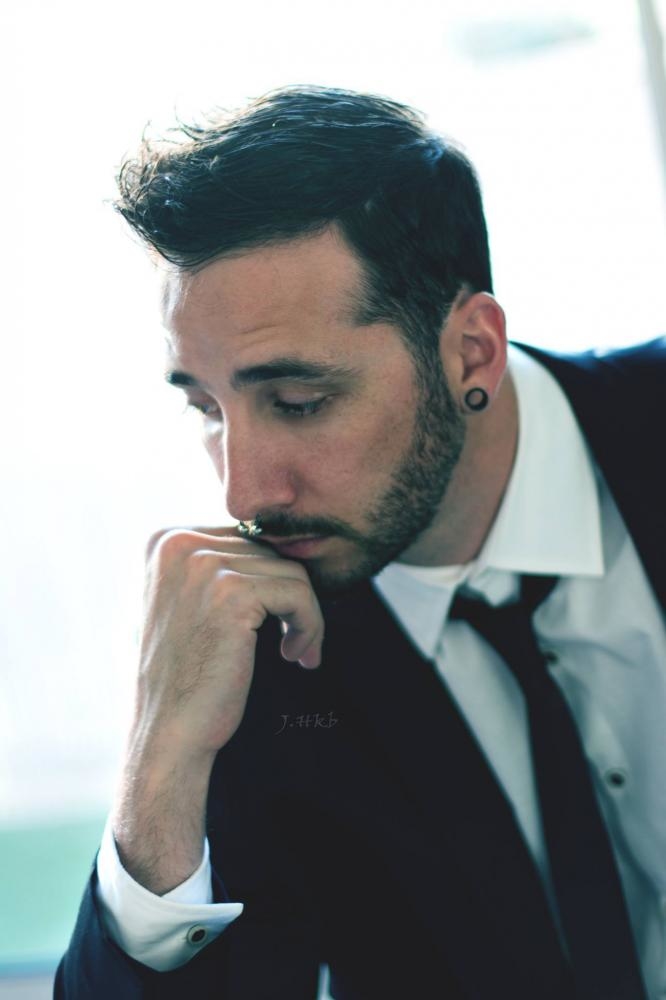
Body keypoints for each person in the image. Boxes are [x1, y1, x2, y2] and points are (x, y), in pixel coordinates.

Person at [55, 86, 665, 1000]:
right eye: (207, 409)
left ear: (471, 351)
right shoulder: (253, 663)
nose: (245, 493)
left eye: (299, 402)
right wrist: (160, 763)